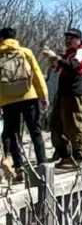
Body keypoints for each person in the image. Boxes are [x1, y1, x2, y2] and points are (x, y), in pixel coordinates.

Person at [0, 26, 50, 190]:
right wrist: (43, 96)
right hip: (29, 95)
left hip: (7, 100)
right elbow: (36, 74)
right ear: (15, 38)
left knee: (12, 133)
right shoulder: (25, 52)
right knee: (35, 131)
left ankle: (19, 167)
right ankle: (42, 164)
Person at [43, 27, 82, 169]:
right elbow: (57, 68)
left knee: (74, 124)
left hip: (74, 93)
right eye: (67, 38)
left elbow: (73, 66)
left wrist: (56, 58)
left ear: (79, 40)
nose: (68, 40)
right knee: (55, 123)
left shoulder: (81, 52)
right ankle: (64, 154)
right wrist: (53, 60)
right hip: (62, 94)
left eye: (72, 38)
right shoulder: (67, 54)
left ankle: (78, 156)